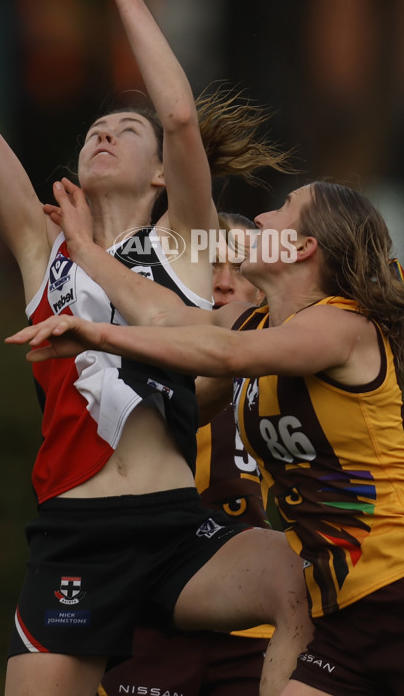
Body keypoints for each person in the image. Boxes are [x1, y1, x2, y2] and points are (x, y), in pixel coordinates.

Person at [0, 0, 311, 696]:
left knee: (295, 579)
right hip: (75, 537)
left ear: (157, 175)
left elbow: (181, 119)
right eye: (94, 129)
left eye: (125, 130)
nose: (104, 131)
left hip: (177, 532)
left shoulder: (182, 245)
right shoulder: (46, 252)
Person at [8, 180, 404, 695]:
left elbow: (225, 354)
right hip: (339, 612)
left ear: (302, 247)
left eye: (282, 209)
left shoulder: (342, 326)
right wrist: (85, 249)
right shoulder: (259, 323)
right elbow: (159, 313)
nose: (262, 218)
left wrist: (96, 334)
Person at [99, 213, 270, 696]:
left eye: (241, 268)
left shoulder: (286, 374)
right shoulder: (132, 369)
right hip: (148, 613)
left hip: (251, 620)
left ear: (265, 289)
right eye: (209, 266)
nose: (222, 283)